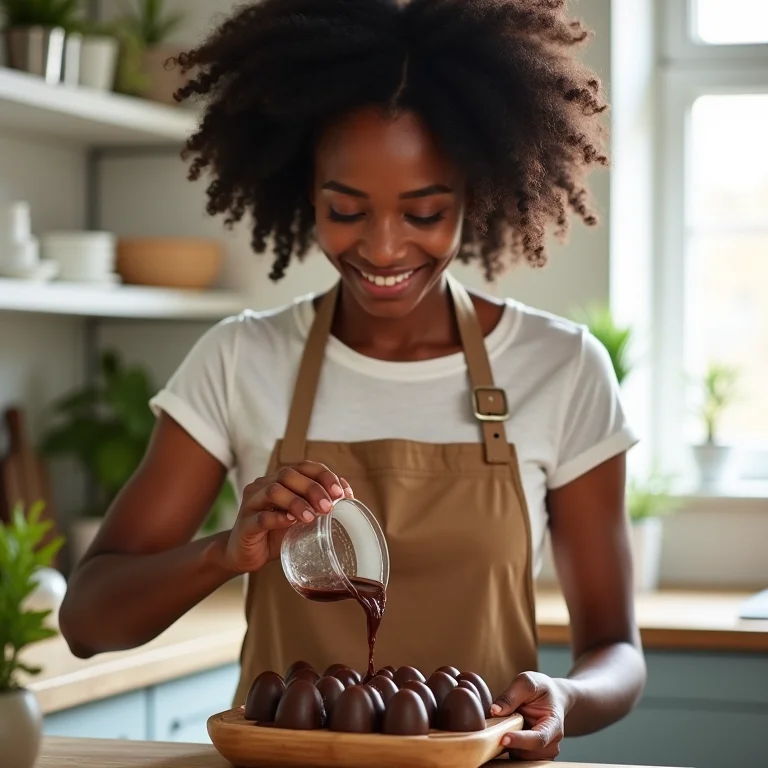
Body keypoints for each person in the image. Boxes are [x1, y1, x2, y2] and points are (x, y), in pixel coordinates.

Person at [60, 0, 646, 760]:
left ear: (477, 188)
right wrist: (222, 553)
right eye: (346, 209)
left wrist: (564, 697)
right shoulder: (242, 359)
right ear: (306, 189)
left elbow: (618, 653)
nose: (383, 246)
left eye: (425, 211)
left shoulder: (561, 368)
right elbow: (88, 621)